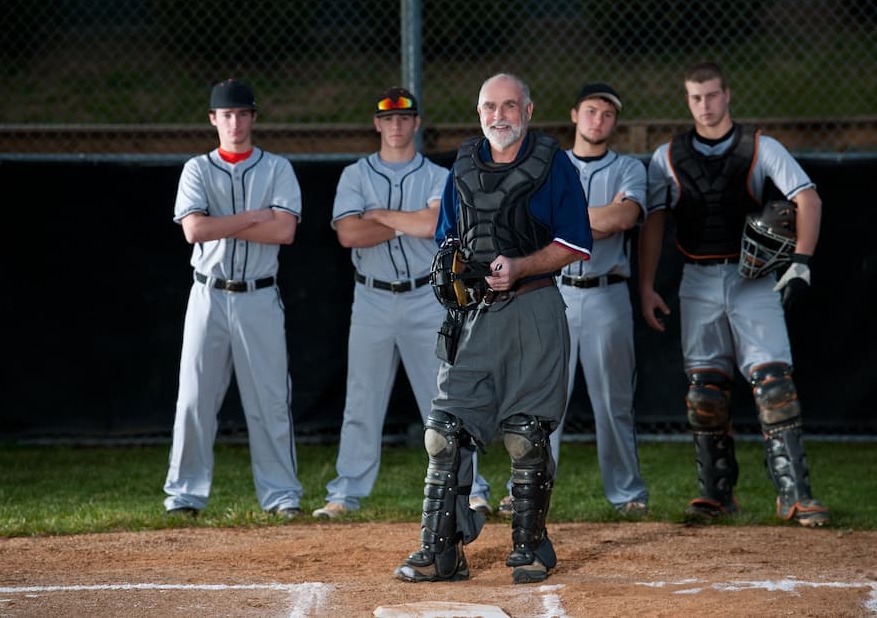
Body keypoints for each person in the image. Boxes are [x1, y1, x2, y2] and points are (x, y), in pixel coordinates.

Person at [393, 73, 592, 585]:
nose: (498, 116)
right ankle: (441, 552)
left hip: (534, 307)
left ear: (528, 111)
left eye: (509, 106)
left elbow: (576, 243)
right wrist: (453, 273)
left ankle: (529, 549)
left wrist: (522, 265)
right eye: (489, 107)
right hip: (475, 316)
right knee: (443, 433)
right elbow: (448, 238)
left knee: (524, 435)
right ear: (478, 111)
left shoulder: (553, 164)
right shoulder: (462, 165)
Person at [638, 61, 829, 526]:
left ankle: (795, 495)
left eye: (712, 95)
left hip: (752, 281)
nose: (705, 105)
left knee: (775, 386)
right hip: (698, 279)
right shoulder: (668, 156)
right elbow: (654, 223)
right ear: (688, 101)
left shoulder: (760, 147)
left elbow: (808, 198)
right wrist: (645, 285)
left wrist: (800, 260)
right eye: (695, 97)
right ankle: (716, 493)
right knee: (705, 392)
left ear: (727, 95)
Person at [313, 87, 491, 521]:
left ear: (415, 123)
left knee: (445, 396)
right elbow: (348, 235)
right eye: (388, 119)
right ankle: (346, 493)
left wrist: (379, 216)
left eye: (404, 118)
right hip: (371, 296)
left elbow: (432, 224)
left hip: (423, 296)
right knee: (362, 398)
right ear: (377, 124)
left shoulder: (435, 175)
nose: (396, 125)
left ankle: (471, 487)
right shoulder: (356, 175)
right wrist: (404, 223)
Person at [496, 82, 649, 520]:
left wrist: (567, 221)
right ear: (574, 114)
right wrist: (592, 220)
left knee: (613, 400)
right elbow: (533, 223)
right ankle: (525, 489)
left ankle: (627, 493)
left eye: (606, 113)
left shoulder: (629, 169)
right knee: (538, 398)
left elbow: (625, 217)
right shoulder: (547, 163)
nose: (597, 120)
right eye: (590, 111)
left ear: (614, 122)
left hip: (606, 293)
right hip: (551, 292)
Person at [163, 79, 304, 518]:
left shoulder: (277, 167)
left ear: (253, 118)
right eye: (227, 114)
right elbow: (194, 231)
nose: (235, 122)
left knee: (269, 401)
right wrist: (252, 217)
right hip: (208, 293)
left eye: (243, 113)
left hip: (259, 296)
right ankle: (184, 495)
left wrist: (222, 221)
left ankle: (282, 495)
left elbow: (284, 231)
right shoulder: (197, 169)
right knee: (193, 399)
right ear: (213, 119)